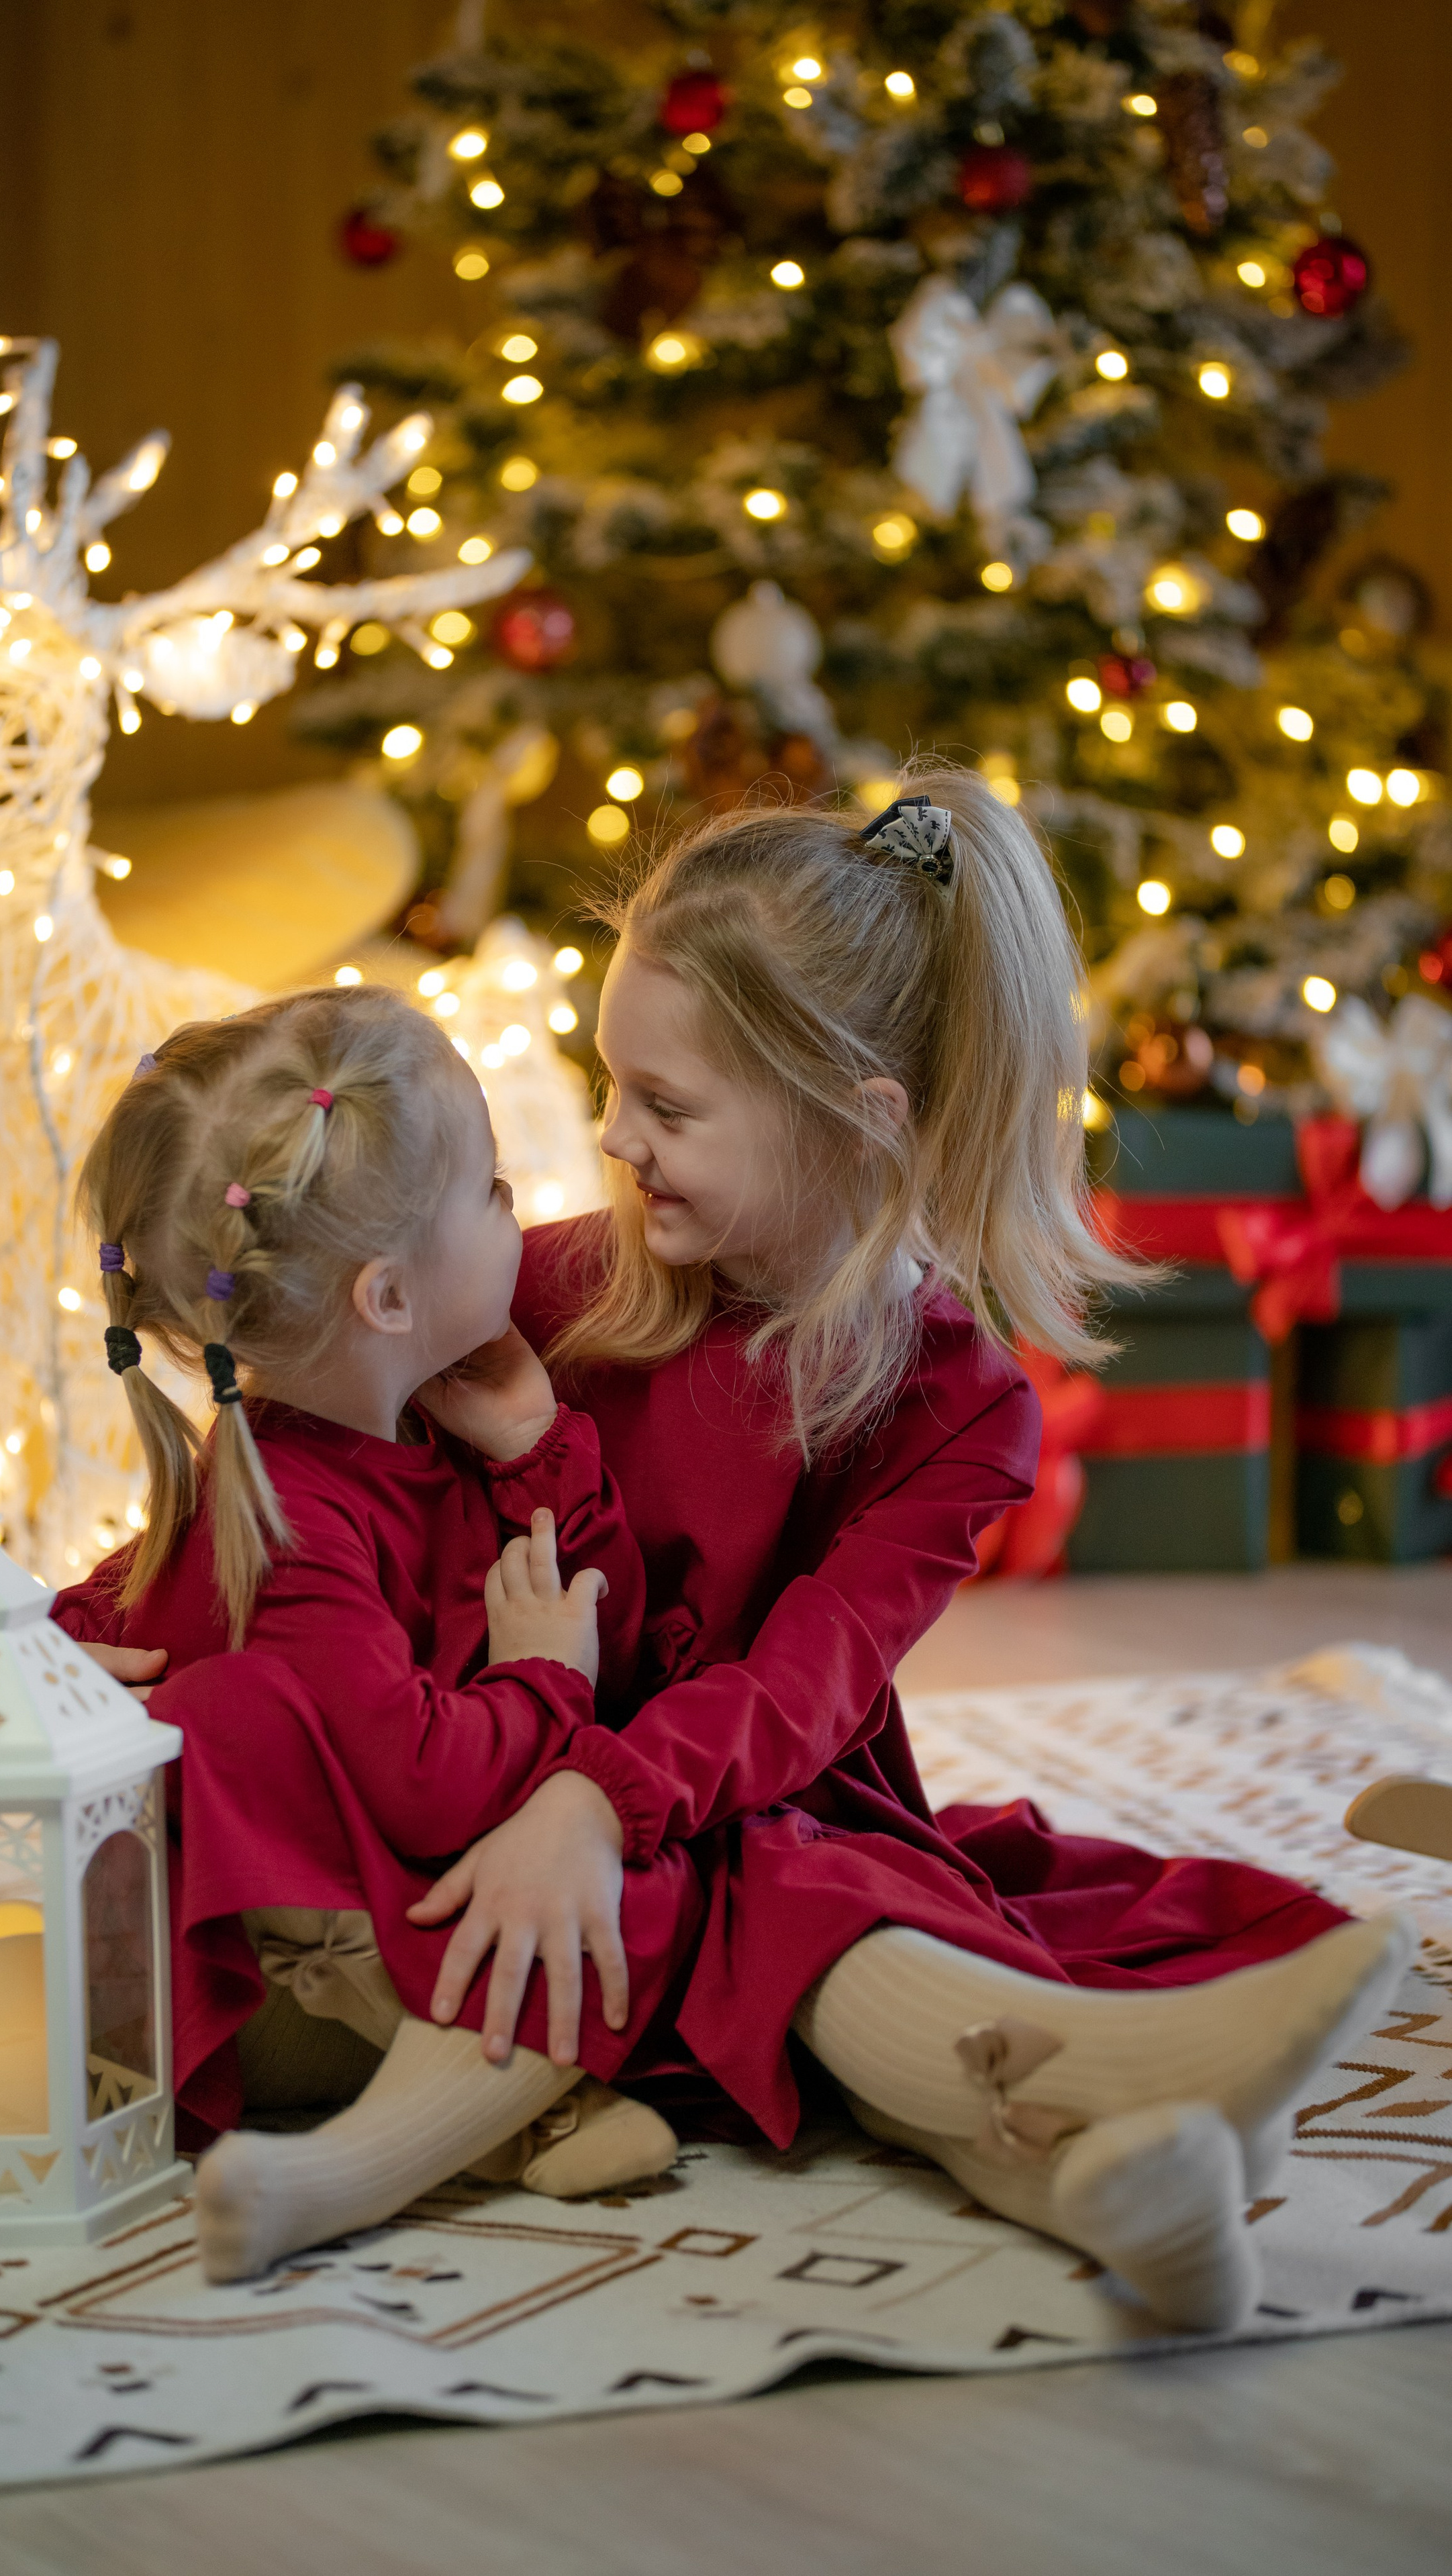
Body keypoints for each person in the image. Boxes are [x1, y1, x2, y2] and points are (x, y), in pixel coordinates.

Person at [386, 769, 1409, 2333]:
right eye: (613, 1085)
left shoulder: (961, 1405)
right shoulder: (557, 1284)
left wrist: (608, 1800)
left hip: (729, 1778)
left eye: (664, 1106)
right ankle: (1112, 2139)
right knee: (802, 1918)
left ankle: (1118, 2178)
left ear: (853, 1121)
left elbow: (800, 1688)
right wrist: (130, 1600)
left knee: (822, 1891)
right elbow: (324, 1444)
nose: (610, 1134)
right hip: (497, 1744)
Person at [49, 985, 700, 2282]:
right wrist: (537, 1683)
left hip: (354, 1923)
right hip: (273, 1997)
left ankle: (476, 2087)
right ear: (391, 1295)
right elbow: (429, 1776)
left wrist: (532, 1451)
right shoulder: (298, 1516)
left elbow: (605, 1627)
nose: (519, 1210)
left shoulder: (408, 1433)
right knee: (606, 1915)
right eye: (494, 1190)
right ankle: (485, 2114)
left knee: (644, 1873)